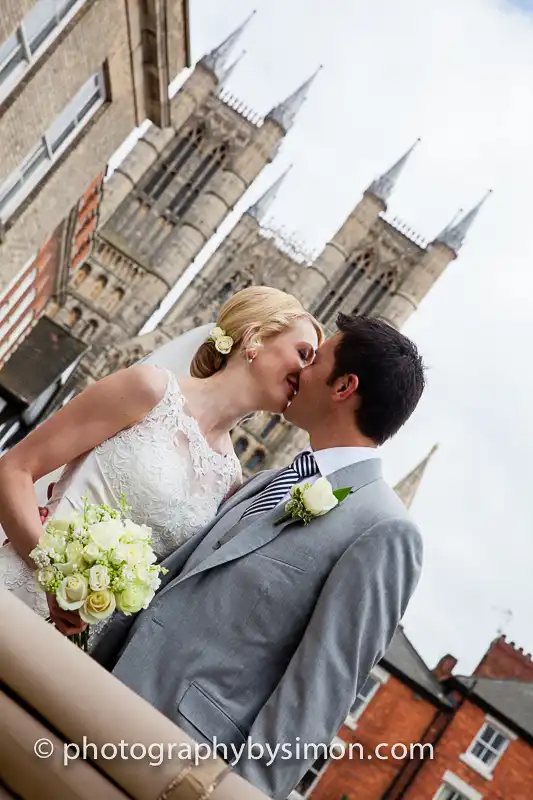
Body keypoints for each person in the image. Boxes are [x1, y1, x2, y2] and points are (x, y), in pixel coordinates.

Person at [91, 312, 426, 800]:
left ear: (343, 386)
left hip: (174, 767)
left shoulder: (384, 529)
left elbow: (315, 700)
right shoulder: (274, 479)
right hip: (94, 699)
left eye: (314, 359)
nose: (300, 369)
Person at [0, 286, 322, 633]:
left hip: (75, 642)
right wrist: (55, 578)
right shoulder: (150, 390)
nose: (307, 374)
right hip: (17, 596)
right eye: (303, 354)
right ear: (256, 337)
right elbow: (14, 469)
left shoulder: (232, 480)